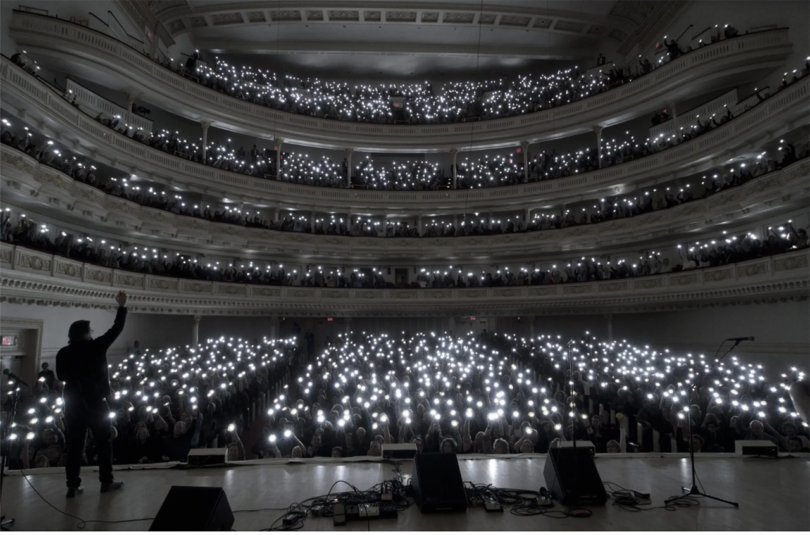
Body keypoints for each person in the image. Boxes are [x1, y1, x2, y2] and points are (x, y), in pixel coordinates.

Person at [56, 291, 128, 497]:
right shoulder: (96, 347)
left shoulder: (63, 353)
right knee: (104, 442)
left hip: (72, 405)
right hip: (96, 403)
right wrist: (122, 307)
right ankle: (106, 482)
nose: (93, 333)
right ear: (85, 333)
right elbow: (116, 329)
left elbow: (62, 376)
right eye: (90, 331)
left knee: (75, 446)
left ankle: (73, 485)